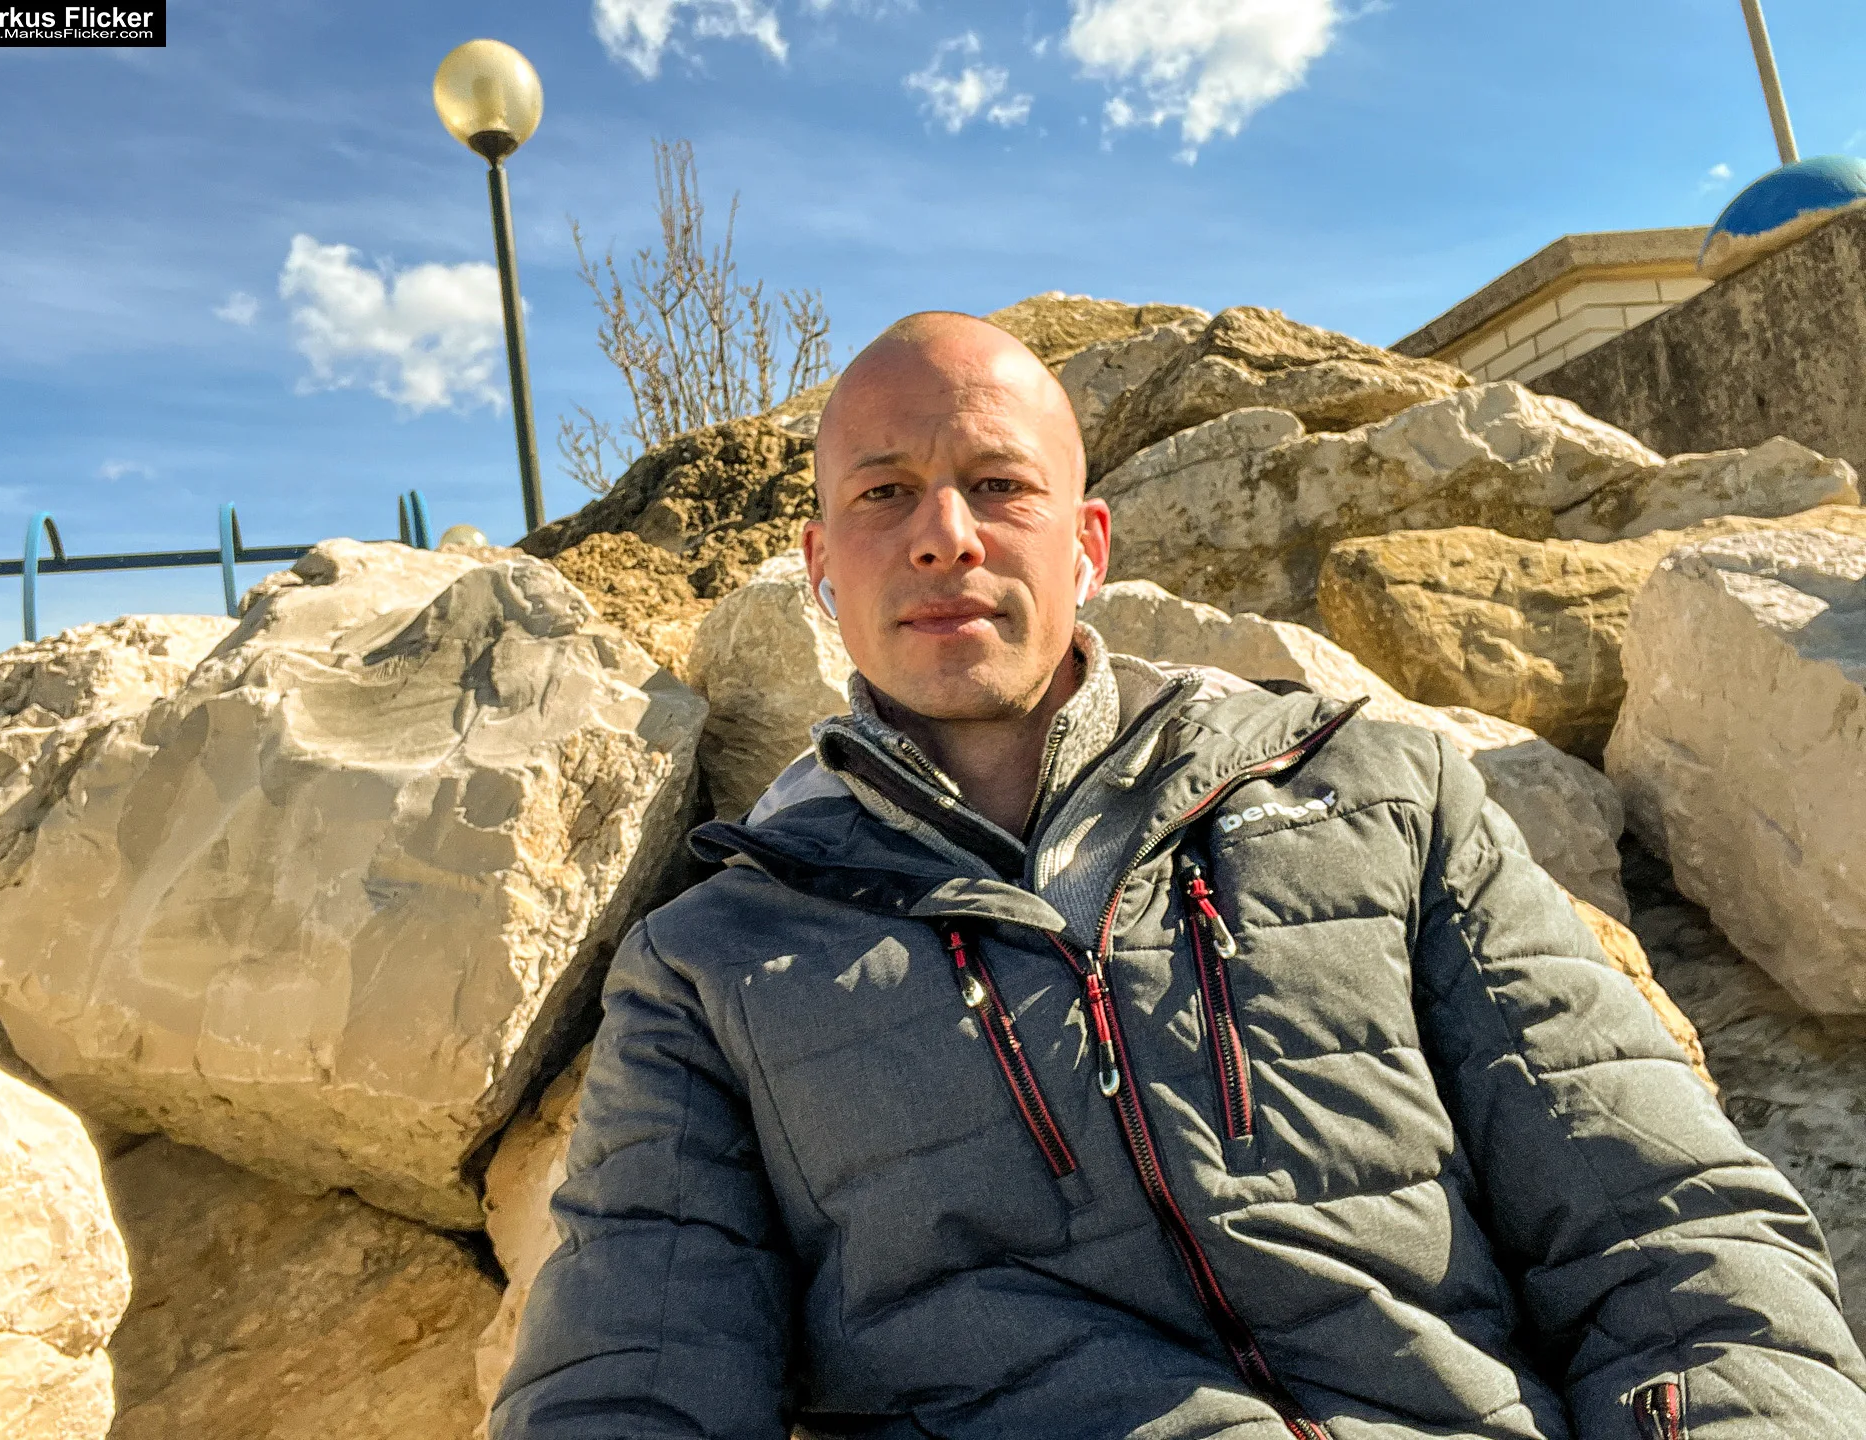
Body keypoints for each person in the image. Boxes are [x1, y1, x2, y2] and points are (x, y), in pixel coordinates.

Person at [491, 313, 1866, 1439]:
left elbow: (1672, 1225)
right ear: (819, 569)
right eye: (884, 492)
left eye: (1000, 485)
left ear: (1088, 547)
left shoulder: (1376, 793)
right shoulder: (715, 965)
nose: (945, 533)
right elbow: (628, 1385)